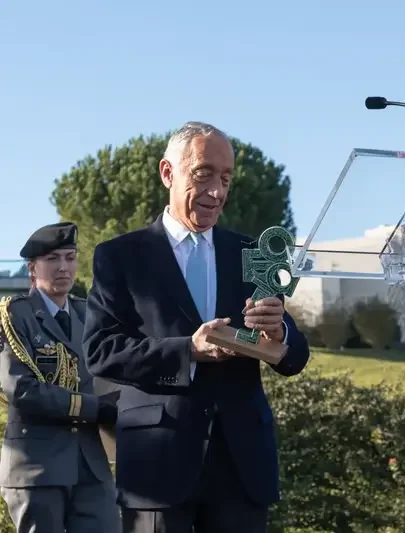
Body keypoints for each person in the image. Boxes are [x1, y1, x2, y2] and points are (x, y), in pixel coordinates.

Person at [82, 121, 311, 533]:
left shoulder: (252, 252)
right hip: (157, 464)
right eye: (204, 174)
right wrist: (188, 350)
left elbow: (295, 354)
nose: (217, 192)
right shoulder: (119, 257)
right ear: (168, 173)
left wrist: (280, 335)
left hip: (241, 466)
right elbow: (100, 350)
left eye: (226, 179)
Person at [0, 222, 120, 533]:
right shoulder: (12, 316)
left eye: (69, 257)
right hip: (37, 466)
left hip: (90, 466)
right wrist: (95, 408)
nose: (63, 267)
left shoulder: (89, 315)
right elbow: (21, 389)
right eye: (52, 259)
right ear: (32, 268)